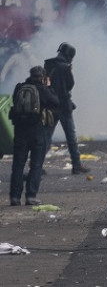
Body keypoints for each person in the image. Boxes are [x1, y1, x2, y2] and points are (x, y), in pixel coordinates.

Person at [9, 66, 60, 206]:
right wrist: (48, 87)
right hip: (37, 132)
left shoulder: (20, 87)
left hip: (20, 132)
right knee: (36, 165)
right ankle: (31, 196)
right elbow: (56, 102)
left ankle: (14, 197)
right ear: (42, 77)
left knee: (18, 165)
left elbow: (14, 102)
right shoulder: (42, 90)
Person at [44, 42, 88, 174]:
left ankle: (36, 166)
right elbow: (70, 85)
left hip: (50, 106)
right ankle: (76, 165)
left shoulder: (48, 64)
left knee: (46, 137)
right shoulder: (64, 67)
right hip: (63, 106)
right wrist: (69, 70)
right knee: (71, 137)